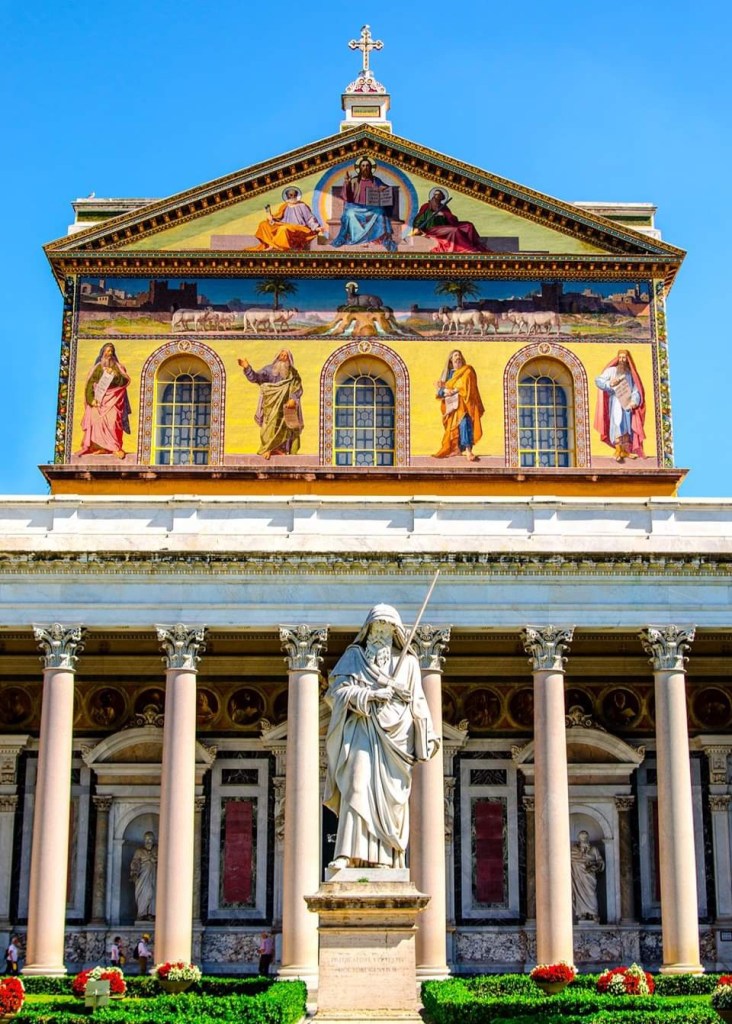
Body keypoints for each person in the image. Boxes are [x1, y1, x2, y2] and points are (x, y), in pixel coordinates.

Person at [323, 604, 439, 869]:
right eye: (377, 628)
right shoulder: (354, 658)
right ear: (368, 629)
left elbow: (418, 702)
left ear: (395, 632)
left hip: (396, 740)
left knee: (391, 801)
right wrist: (371, 695)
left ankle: (383, 859)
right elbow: (336, 693)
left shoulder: (408, 663)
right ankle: (346, 854)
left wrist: (428, 735)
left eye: (386, 628)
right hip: (362, 731)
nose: (380, 634)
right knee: (356, 785)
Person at [238, 350, 303, 459]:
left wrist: (293, 398)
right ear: (277, 356)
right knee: (269, 426)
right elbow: (256, 378)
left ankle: (281, 449)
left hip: (286, 406)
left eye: (286, 356)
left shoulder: (293, 373)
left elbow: (297, 386)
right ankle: (268, 448)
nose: (283, 357)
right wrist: (247, 367)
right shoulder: (268, 370)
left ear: (289, 359)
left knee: (287, 427)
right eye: (281, 355)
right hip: (271, 404)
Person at [76, 343, 131, 459]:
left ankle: (115, 447)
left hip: (114, 400)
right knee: (96, 421)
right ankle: (100, 447)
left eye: (111, 351)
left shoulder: (118, 367)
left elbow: (125, 381)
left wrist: (115, 375)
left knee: (113, 421)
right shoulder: (97, 368)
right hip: (98, 401)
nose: (109, 353)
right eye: (107, 351)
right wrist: (91, 400)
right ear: (102, 353)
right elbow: (90, 385)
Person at [331, 156, 397, 252]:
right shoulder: (354, 180)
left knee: (380, 212)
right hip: (356, 207)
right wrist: (347, 184)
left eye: (367, 166)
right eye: (363, 166)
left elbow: (386, 188)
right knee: (349, 214)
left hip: (371, 208)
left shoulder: (375, 180)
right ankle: (357, 239)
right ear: (359, 168)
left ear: (370, 168)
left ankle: (377, 239)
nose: (365, 168)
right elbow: (347, 197)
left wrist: (384, 189)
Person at [594, 349, 646, 462]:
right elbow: (598, 380)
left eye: (624, 357)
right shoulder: (612, 371)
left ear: (628, 359)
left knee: (627, 427)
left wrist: (634, 401)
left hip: (627, 403)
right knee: (617, 424)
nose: (622, 360)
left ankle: (625, 451)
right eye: (620, 357)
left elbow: (636, 390)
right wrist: (609, 383)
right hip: (616, 401)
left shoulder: (630, 374)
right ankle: (618, 450)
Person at [433, 350, 484, 461]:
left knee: (465, 423)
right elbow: (439, 391)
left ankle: (468, 451)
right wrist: (445, 391)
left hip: (465, 404)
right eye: (455, 356)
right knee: (452, 428)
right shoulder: (448, 374)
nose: (458, 358)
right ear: (451, 360)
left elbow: (469, 386)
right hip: (451, 406)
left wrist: (455, 390)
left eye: (459, 356)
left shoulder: (467, 371)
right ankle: (456, 449)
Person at [412, 188, 489, 253]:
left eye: (439, 195)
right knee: (454, 230)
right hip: (432, 229)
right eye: (435, 195)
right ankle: (466, 249)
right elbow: (419, 219)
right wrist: (416, 228)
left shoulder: (444, 208)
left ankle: (473, 245)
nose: (436, 197)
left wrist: (444, 214)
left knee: (468, 226)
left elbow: (453, 220)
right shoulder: (427, 206)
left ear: (441, 198)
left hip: (445, 227)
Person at [253, 187, 323, 251]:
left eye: (294, 195)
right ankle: (271, 244)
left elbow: (309, 218)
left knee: (283, 229)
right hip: (285, 225)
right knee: (263, 224)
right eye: (290, 195)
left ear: (297, 196)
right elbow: (278, 218)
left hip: (298, 229)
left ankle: (275, 247)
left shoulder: (302, 206)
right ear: (287, 196)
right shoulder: (284, 207)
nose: (292, 197)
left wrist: (316, 227)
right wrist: (271, 218)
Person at [571, 830, 605, 922]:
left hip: (589, 877)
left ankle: (593, 913)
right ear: (579, 838)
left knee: (591, 894)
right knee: (579, 894)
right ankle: (582, 913)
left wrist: (594, 866)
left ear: (588, 838)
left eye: (585, 837)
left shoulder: (594, 849)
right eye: (582, 837)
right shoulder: (573, 850)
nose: (584, 839)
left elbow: (600, 862)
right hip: (578, 877)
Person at [130, 831, 157, 920]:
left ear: (153, 840)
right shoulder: (139, 851)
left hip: (154, 876)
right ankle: (142, 913)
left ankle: (151, 913)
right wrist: (134, 873)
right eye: (146, 839)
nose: (148, 841)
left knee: (153, 893)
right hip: (143, 876)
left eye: (150, 839)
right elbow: (135, 862)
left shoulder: (157, 850)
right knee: (144, 893)